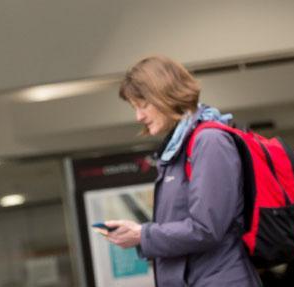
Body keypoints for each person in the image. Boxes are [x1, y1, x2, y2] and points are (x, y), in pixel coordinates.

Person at [97, 55, 260, 286]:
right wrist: (140, 236)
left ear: (165, 95)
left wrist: (142, 234)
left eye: (143, 105)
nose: (139, 116)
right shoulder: (178, 149)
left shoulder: (209, 141)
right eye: (135, 108)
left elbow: (207, 229)